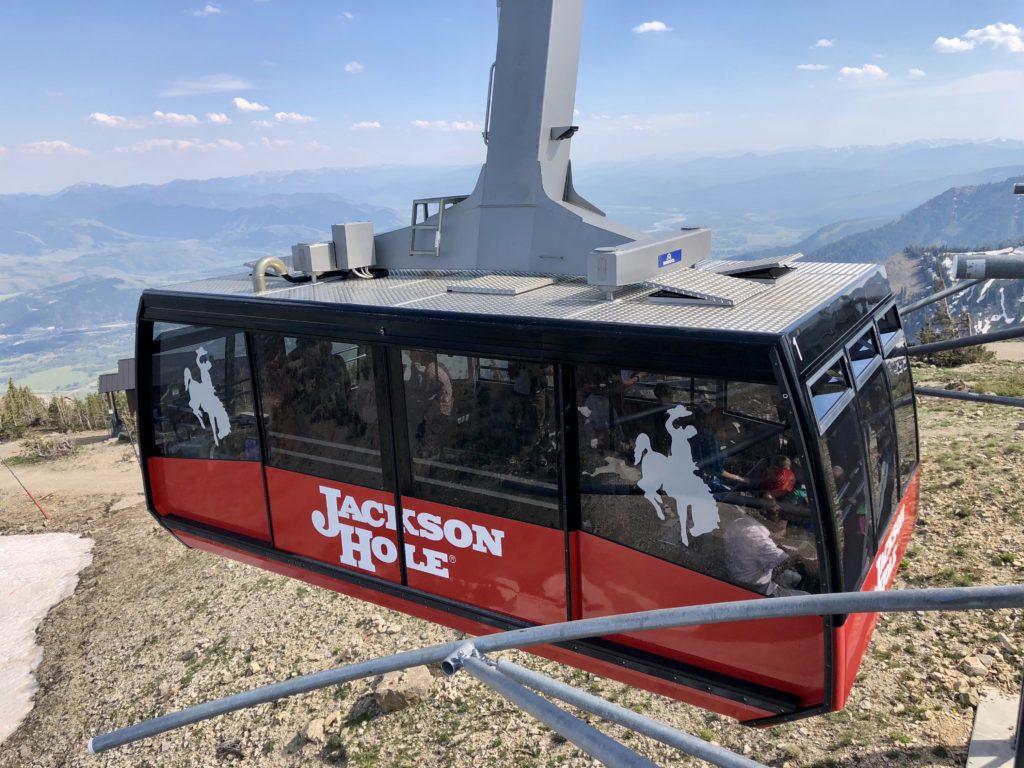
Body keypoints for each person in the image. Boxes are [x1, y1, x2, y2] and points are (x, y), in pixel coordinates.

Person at [725, 494, 806, 596]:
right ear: (762, 511)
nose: (777, 508)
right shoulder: (757, 535)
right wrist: (802, 558)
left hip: (736, 576)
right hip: (757, 588)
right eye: (772, 506)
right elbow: (785, 560)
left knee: (796, 578)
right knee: (806, 595)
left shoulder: (740, 522)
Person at [690, 399, 746, 492]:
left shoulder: (699, 433)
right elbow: (718, 471)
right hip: (706, 481)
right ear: (709, 418)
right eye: (716, 416)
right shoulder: (710, 439)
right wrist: (740, 479)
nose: (720, 419)